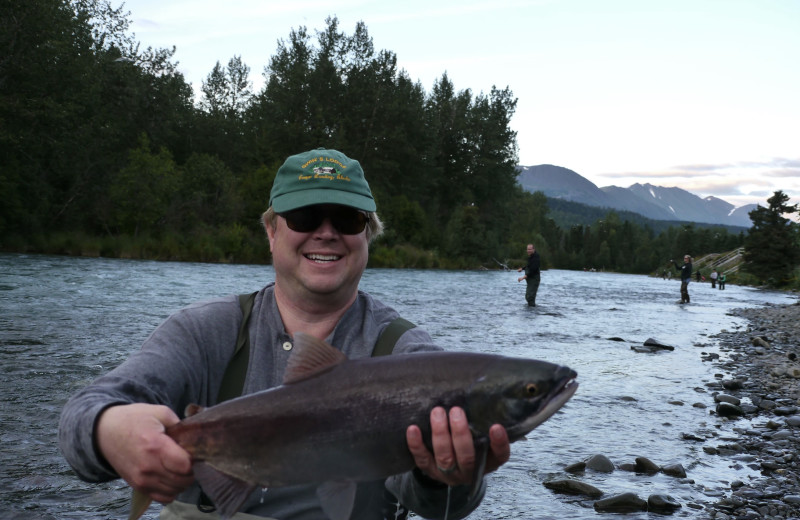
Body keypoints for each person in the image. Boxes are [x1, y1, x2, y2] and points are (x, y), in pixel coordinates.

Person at [58, 148, 511, 520]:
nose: (327, 233)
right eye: (306, 216)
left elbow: (445, 507)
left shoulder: (407, 355)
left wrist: (443, 474)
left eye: (348, 220)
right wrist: (108, 430)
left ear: (368, 236)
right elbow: (80, 419)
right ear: (272, 232)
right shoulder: (204, 332)